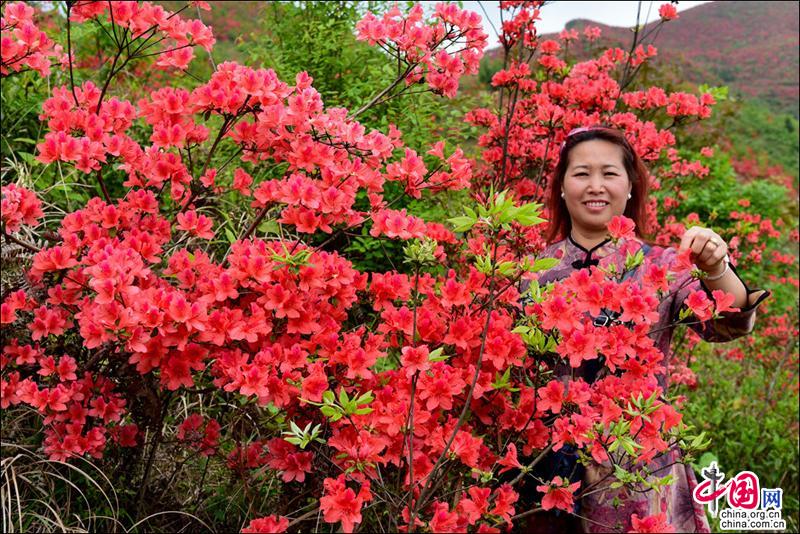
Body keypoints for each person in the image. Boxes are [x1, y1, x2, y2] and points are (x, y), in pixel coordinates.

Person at [520, 126, 769, 533]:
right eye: (581, 173)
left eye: (610, 173)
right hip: (545, 472)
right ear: (562, 188)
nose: (595, 186)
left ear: (631, 187)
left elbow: (729, 323)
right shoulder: (533, 273)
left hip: (637, 469)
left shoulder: (662, 266)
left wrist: (715, 267)